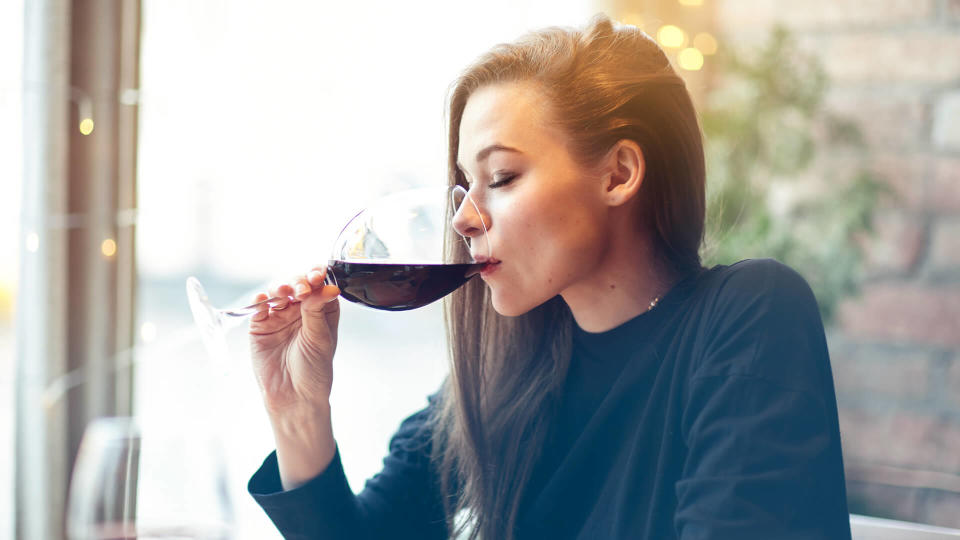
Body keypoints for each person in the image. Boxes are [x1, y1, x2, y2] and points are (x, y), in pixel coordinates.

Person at [245, 15, 852, 540]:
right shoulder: (503, 368)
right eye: (463, 184)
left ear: (618, 173)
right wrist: (297, 411)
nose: (462, 217)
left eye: (502, 177)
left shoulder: (748, 315)